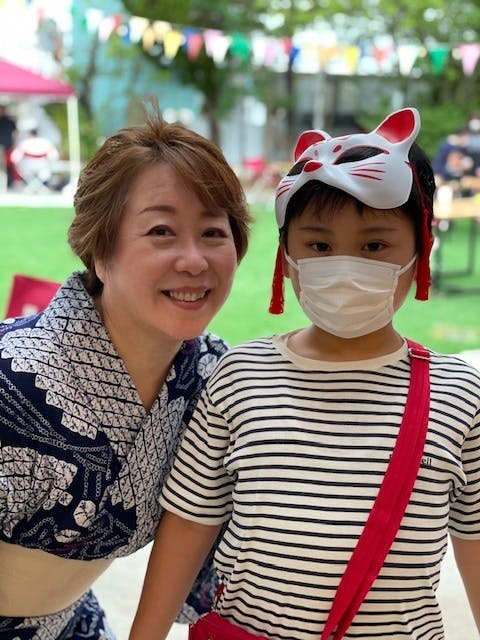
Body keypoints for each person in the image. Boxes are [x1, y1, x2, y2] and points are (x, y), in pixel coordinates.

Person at [129, 108, 480, 640]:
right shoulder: (237, 378)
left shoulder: (460, 395)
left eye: (374, 246)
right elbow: (187, 529)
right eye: (319, 245)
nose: (344, 265)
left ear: (421, 250)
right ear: (287, 255)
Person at [0, 110, 251, 639]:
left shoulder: (214, 379)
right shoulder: (11, 377)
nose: (193, 260)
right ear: (101, 251)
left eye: (213, 232)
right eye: (161, 231)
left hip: (71, 625)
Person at [0, 104, 17, 187]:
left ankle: (8, 183)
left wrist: (13, 145)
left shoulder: (9, 121)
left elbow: (15, 134)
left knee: (7, 166)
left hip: (7, 147)